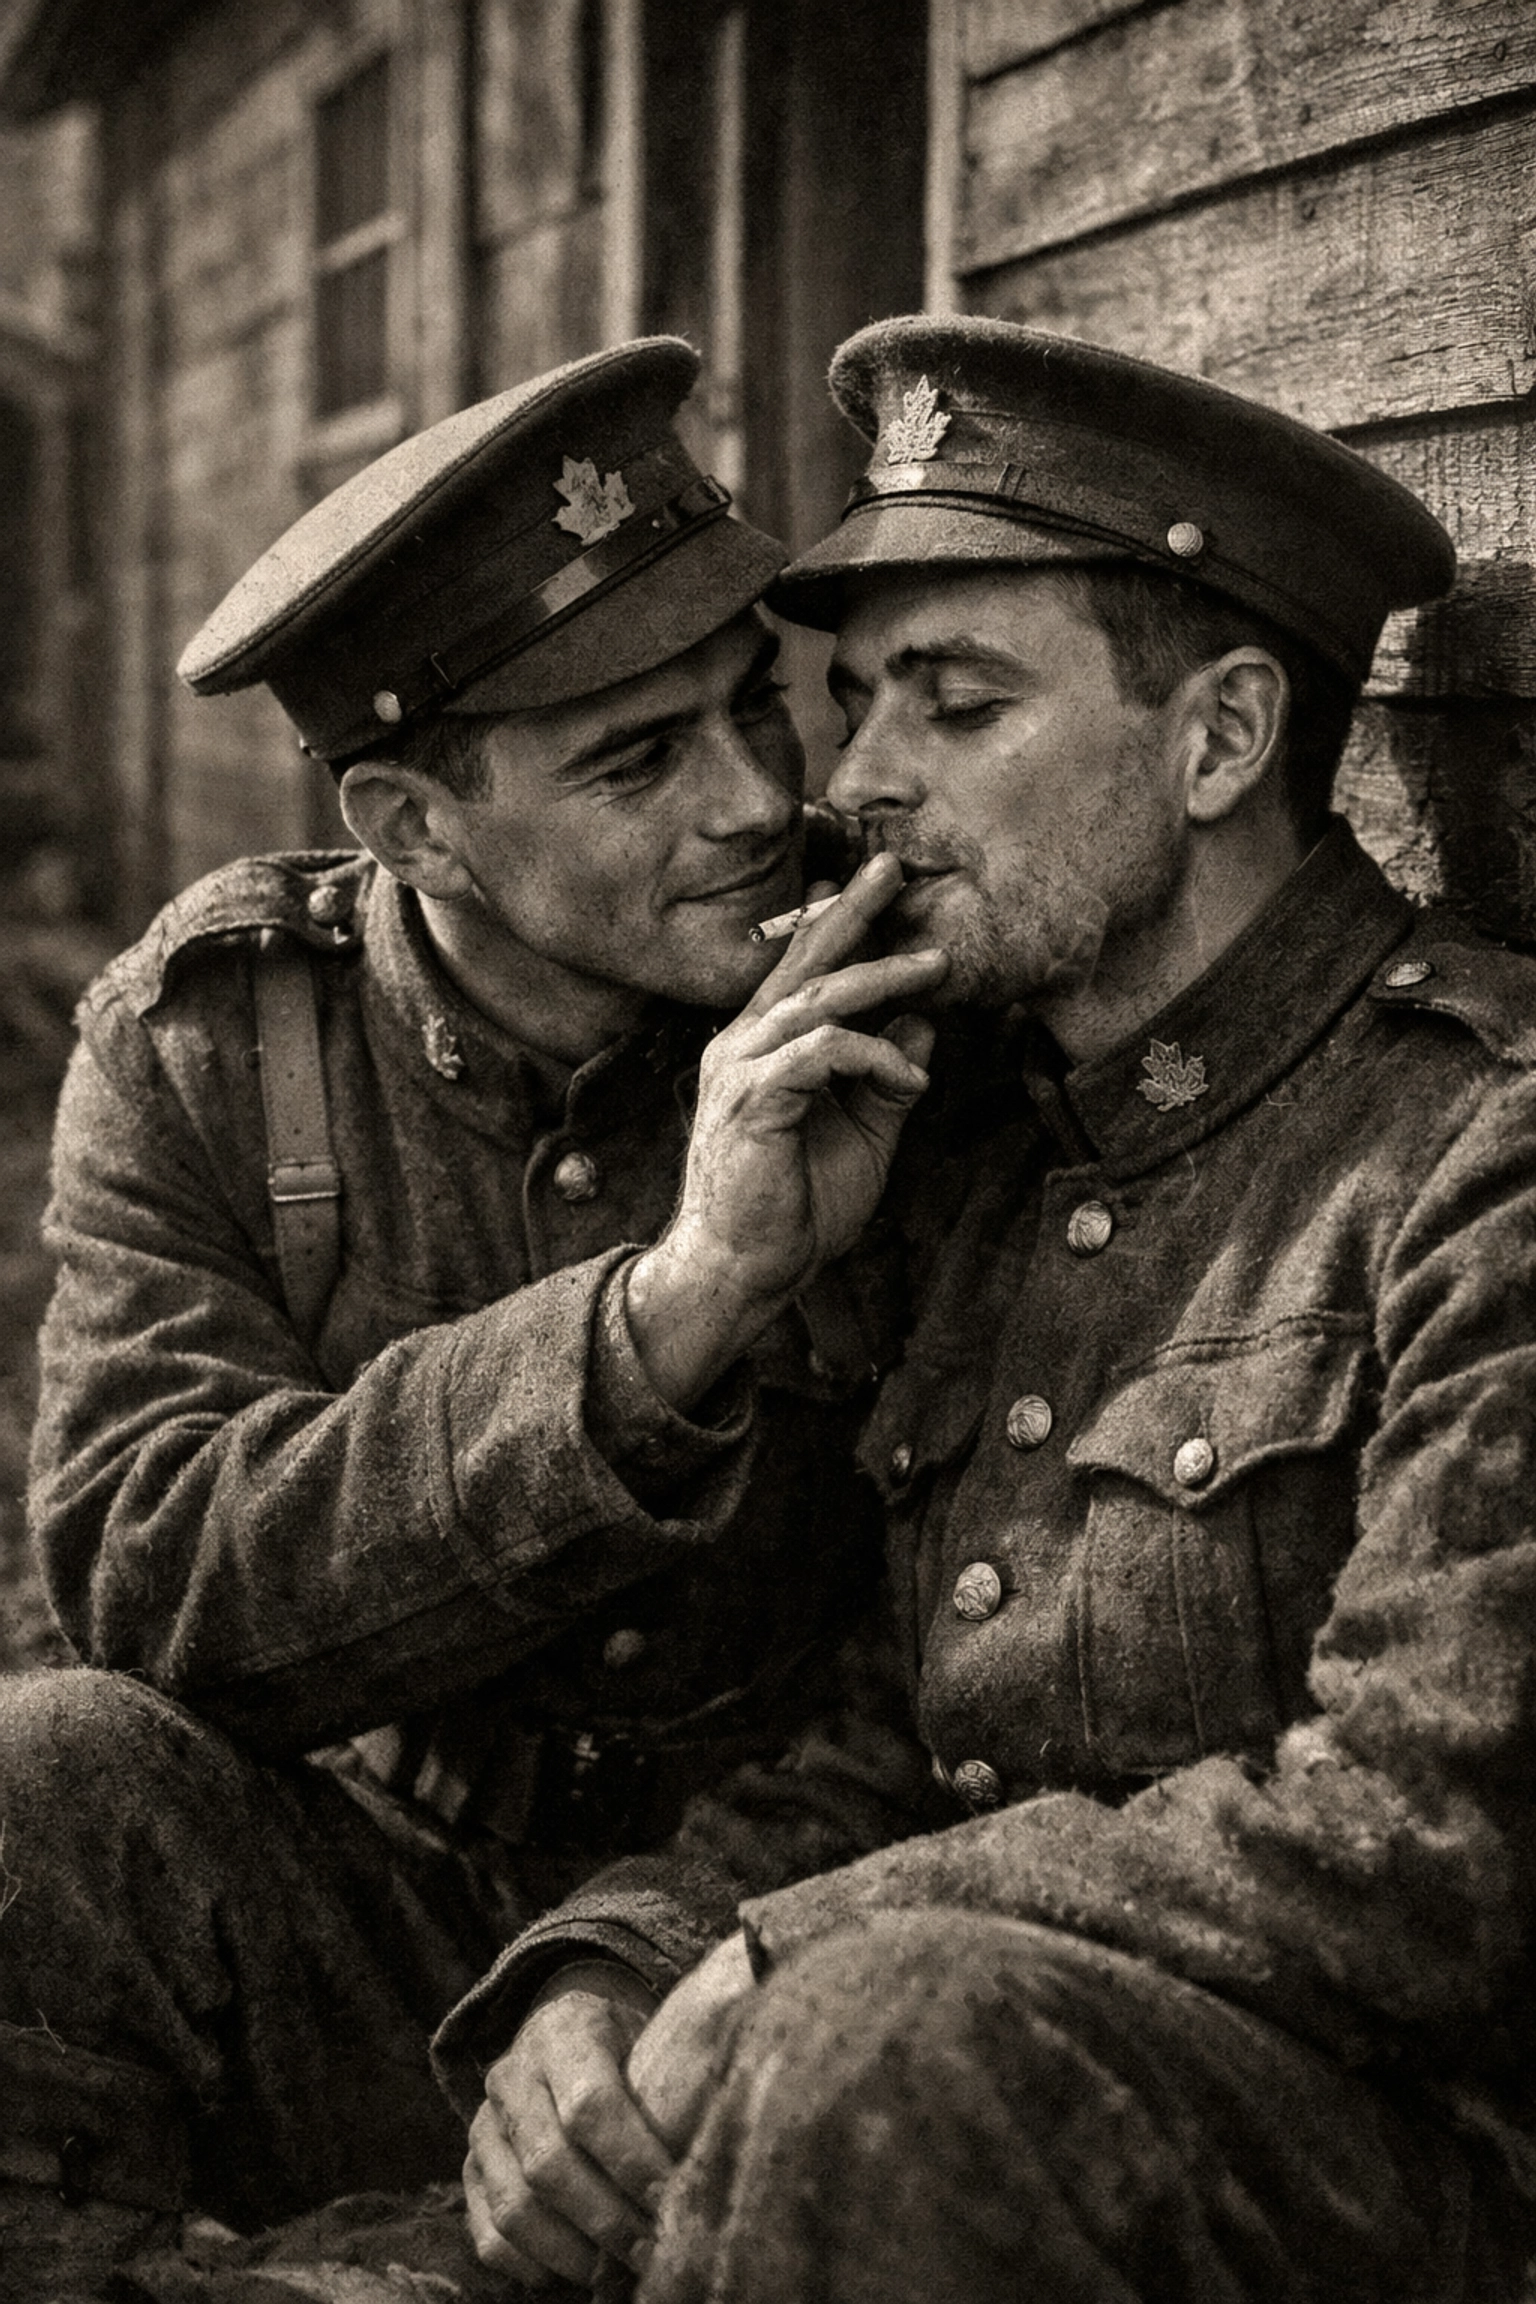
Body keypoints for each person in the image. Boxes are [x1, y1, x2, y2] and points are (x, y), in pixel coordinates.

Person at [445, 316, 1536, 2302]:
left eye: (952, 707)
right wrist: (636, 1958)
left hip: (1400, 2170)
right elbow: (915, 1728)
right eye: (854, 700)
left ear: (1215, 743)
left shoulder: (1480, 1153)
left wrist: (813, 1952)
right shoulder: (1005, 1142)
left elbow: (1434, 1834)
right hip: (973, 2109)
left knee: (882, 2044)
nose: (849, 781)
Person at [0, 336, 947, 2295]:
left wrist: (646, 1945)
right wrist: (670, 1317)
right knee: (44, 1781)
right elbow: (149, 1567)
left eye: (753, 705)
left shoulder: (923, 998)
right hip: (367, 1909)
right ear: (414, 830)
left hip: (759, 1936)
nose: (761, 797)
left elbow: (976, 1643)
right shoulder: (210, 1051)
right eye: (639, 758)